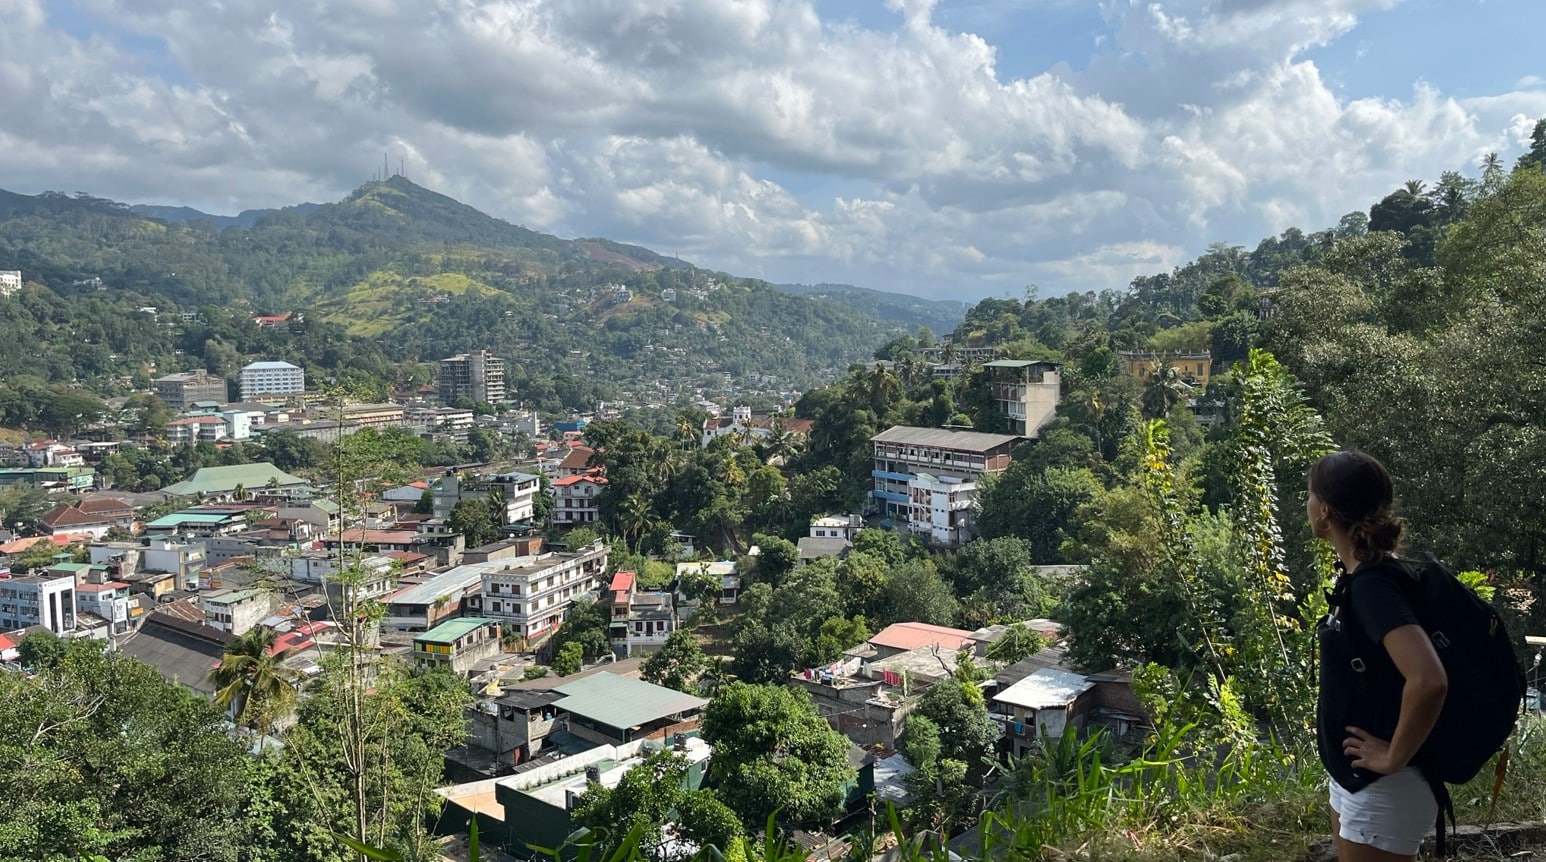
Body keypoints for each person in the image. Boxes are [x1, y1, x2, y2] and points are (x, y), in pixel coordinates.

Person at [1311, 450, 1449, 861]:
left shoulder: (1374, 587)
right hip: (1357, 781)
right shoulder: (1364, 575)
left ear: (1325, 511)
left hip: (1385, 788)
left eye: (1309, 496)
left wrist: (1393, 756)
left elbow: (1429, 679)